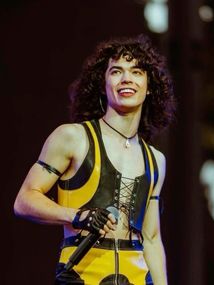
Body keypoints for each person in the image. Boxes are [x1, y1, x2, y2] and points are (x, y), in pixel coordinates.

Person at [14, 34, 175, 285]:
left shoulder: (156, 160)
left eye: (137, 71)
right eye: (116, 71)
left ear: (150, 85)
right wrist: (76, 215)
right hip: (82, 276)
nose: (126, 79)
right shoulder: (72, 137)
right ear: (103, 83)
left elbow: (152, 239)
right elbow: (24, 201)